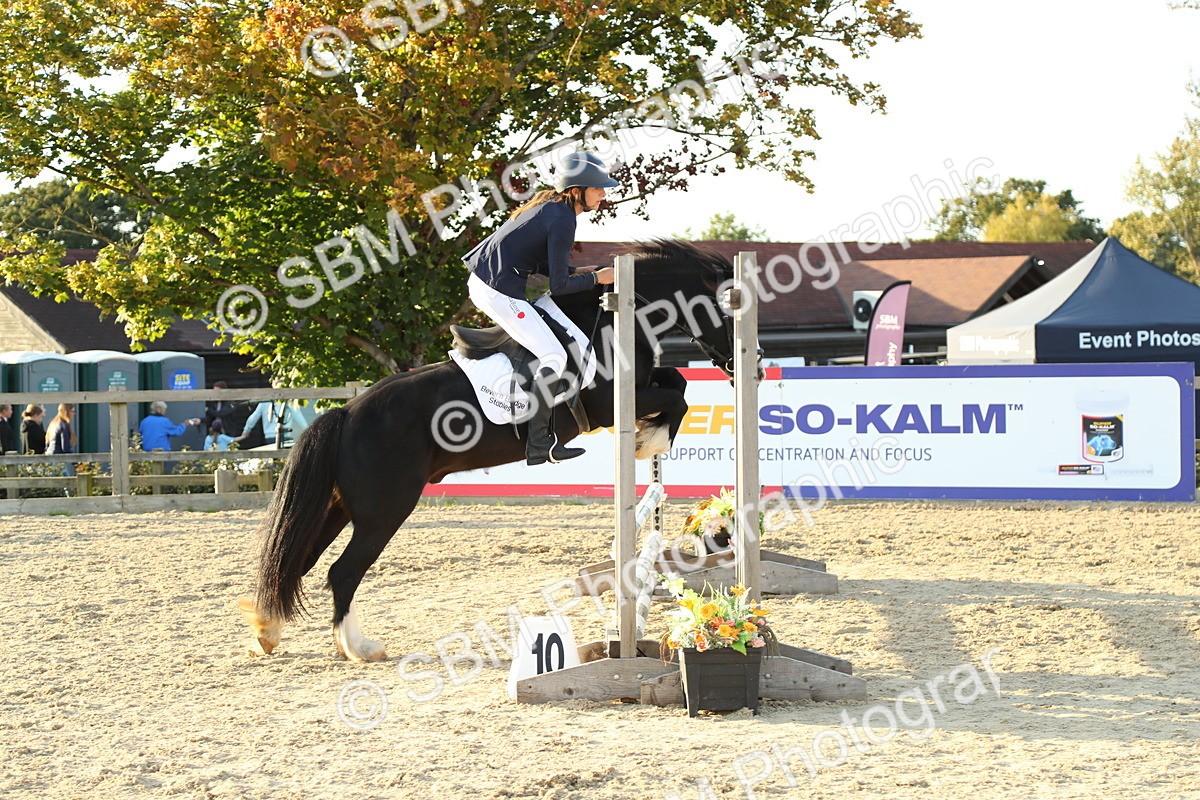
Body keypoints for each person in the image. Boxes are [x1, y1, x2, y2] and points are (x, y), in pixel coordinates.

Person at [463, 150, 618, 465]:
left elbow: (545, 266)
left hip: (490, 284)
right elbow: (559, 287)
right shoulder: (563, 219)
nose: (603, 194)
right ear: (577, 190)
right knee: (555, 356)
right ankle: (538, 444)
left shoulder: (554, 208)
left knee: (551, 349)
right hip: (496, 291)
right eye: (597, 188)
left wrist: (580, 272)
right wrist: (596, 278)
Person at [45, 403, 77, 477]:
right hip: (58, 460)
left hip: (49, 458)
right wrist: (76, 462)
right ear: (67, 412)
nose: (74, 414)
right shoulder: (63, 425)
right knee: (67, 482)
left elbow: (47, 445)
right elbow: (65, 448)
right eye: (72, 411)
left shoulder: (53, 424)